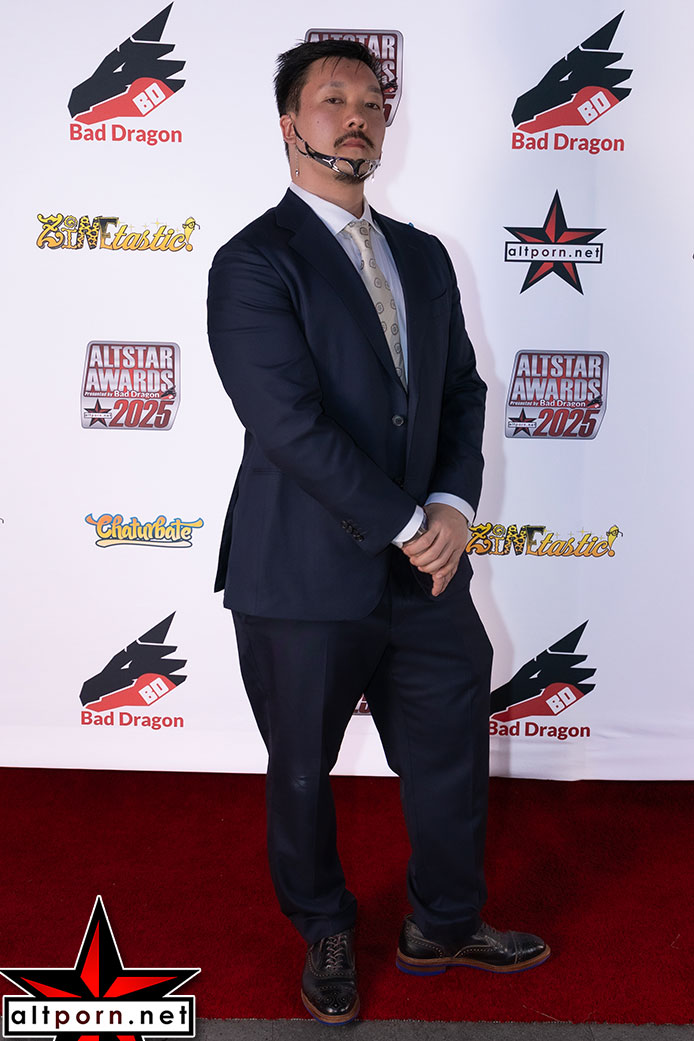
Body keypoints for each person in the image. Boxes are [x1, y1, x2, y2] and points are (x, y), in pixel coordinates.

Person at [207, 38, 549, 1025]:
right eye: (331, 100)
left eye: (370, 101)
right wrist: (407, 521)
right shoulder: (253, 262)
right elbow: (289, 425)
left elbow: (461, 393)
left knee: (450, 752)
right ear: (289, 125)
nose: (355, 116)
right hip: (301, 573)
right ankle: (323, 926)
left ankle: (444, 921)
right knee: (302, 770)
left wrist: (450, 510)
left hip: (427, 571)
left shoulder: (424, 255)